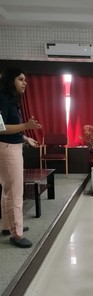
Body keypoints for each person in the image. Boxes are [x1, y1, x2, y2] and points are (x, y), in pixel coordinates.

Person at [0, 67, 42, 248]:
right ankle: (17, 234)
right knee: (15, 192)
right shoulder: (2, 98)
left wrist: (26, 137)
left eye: (25, 79)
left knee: (8, 190)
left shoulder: (10, 99)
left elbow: (9, 126)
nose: (25, 82)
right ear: (11, 80)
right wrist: (26, 125)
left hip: (12, 145)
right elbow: (0, 128)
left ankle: (8, 225)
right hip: (8, 149)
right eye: (20, 79)